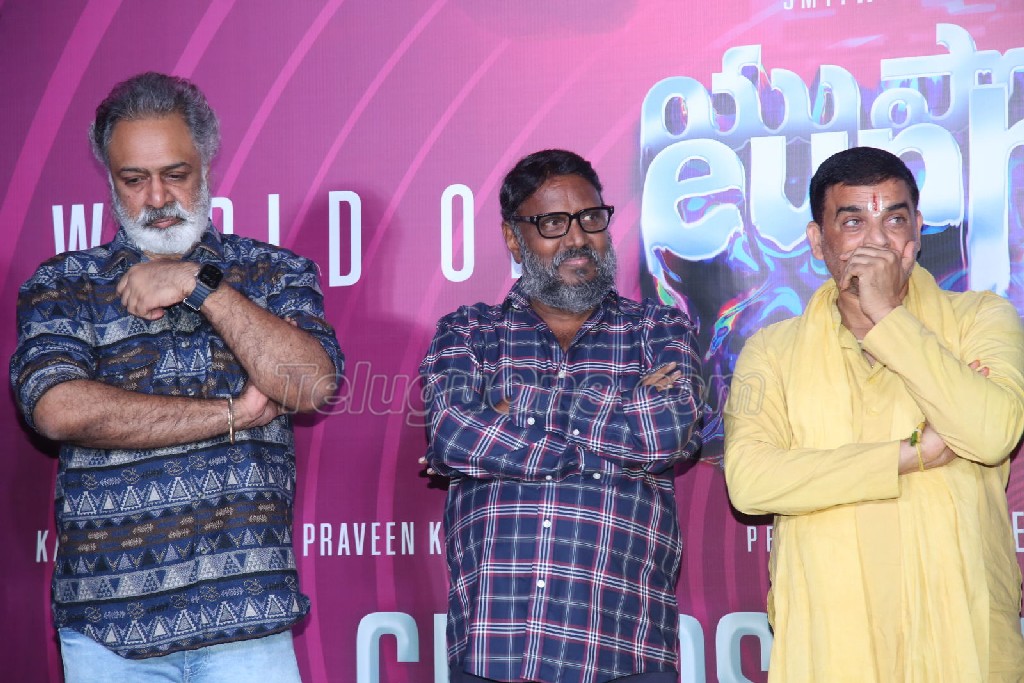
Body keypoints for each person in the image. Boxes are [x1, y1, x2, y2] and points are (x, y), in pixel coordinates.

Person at [10, 72, 342, 683]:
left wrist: (199, 284)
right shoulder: (64, 283)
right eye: (134, 180)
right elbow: (57, 409)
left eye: (176, 174)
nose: (158, 198)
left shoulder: (272, 272)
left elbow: (308, 385)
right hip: (109, 635)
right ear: (110, 179)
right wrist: (232, 416)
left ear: (206, 164)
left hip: (250, 625)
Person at [724, 146, 1024, 681]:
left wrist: (886, 314)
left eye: (894, 220)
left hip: (961, 645)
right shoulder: (772, 351)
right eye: (853, 222)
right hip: (830, 649)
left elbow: (991, 433)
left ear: (918, 231)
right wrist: (909, 456)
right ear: (818, 241)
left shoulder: (981, 318)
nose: (878, 241)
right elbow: (749, 483)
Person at [420, 149, 704, 683]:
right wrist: (618, 420)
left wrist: (520, 404)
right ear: (514, 238)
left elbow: (668, 433)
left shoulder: (658, 329)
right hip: (498, 646)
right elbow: (454, 436)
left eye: (591, 218)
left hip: (625, 646)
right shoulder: (469, 332)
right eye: (553, 223)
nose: (578, 238)